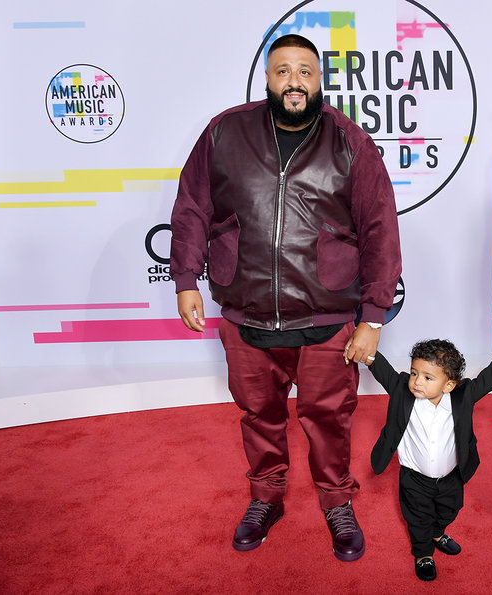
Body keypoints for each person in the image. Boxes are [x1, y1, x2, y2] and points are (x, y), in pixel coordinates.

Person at [169, 33, 401, 560]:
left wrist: (373, 316)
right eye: (282, 71)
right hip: (246, 311)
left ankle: (337, 502)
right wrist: (186, 278)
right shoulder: (225, 132)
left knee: (329, 418)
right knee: (259, 415)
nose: (293, 81)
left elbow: (380, 229)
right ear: (267, 78)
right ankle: (266, 497)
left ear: (320, 80)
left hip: (329, 312)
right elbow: (191, 208)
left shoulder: (349, 141)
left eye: (305, 71)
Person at [368, 339, 492, 581]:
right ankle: (423, 552)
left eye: (427, 377)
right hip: (414, 478)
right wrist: (366, 348)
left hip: (451, 476)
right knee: (418, 518)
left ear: (448, 385)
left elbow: (488, 380)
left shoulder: (462, 396)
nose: (416, 381)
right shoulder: (402, 391)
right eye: (414, 372)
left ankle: (438, 532)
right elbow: (380, 368)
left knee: (450, 510)